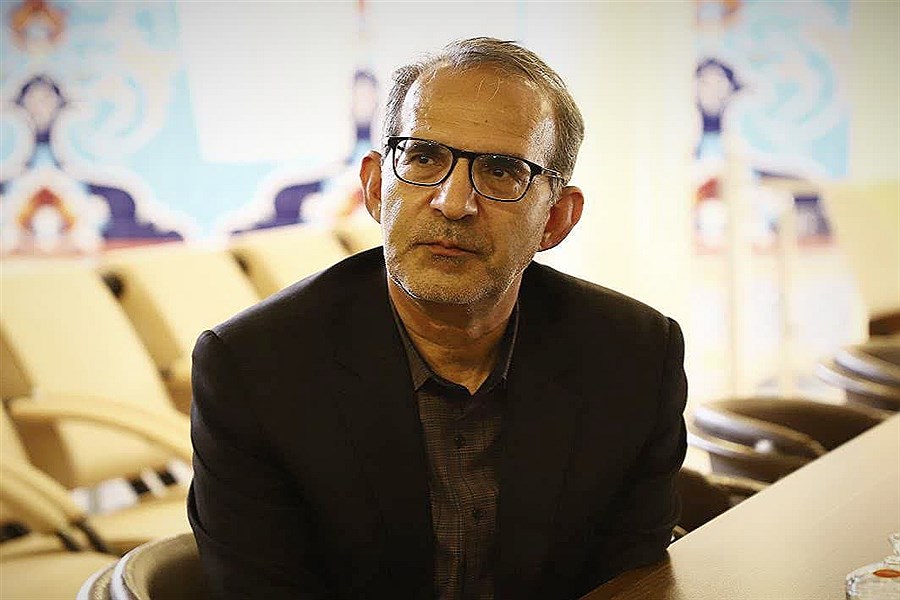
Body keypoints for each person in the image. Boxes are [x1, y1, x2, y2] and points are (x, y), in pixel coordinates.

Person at [188, 37, 687, 600]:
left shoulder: (635, 354)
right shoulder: (253, 369)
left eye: (502, 171)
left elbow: (630, 580)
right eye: (423, 158)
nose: (453, 202)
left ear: (556, 219)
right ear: (376, 187)